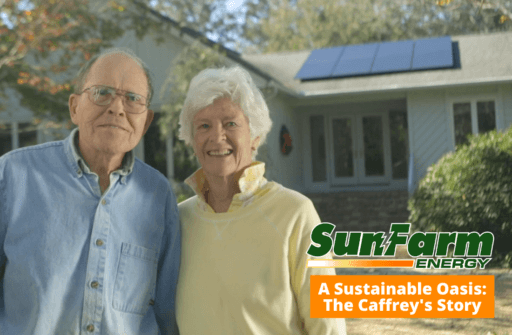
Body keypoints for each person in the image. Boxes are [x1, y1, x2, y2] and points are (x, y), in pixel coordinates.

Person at [0, 48, 180, 334]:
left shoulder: (158, 195)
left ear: (146, 122)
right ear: (74, 107)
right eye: (102, 93)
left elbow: (167, 311)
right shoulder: (12, 176)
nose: (117, 108)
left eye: (133, 99)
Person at [175, 66, 346, 334]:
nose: (217, 137)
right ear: (192, 140)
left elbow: (327, 326)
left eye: (231, 123)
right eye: (203, 125)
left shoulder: (295, 214)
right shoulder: (177, 220)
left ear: (255, 137)